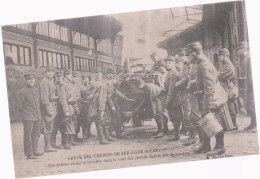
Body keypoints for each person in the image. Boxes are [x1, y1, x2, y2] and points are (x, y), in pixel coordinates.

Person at [187, 42, 233, 156]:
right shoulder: (200, 64)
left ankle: (220, 146)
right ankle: (205, 145)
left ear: (193, 53)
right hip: (208, 96)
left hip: (214, 98)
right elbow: (204, 82)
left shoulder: (205, 66)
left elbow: (210, 88)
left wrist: (207, 106)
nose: (188, 58)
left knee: (215, 122)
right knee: (205, 120)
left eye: (188, 55)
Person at [18, 73, 43, 159]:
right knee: (28, 135)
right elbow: (19, 106)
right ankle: (29, 153)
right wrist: (24, 116)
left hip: (37, 115)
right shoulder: (22, 91)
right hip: (28, 116)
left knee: (36, 134)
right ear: (25, 81)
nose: (31, 81)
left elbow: (39, 102)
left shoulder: (36, 90)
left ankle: (35, 150)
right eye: (29, 79)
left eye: (32, 79)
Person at [176, 48, 197, 145]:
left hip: (189, 91)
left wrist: (179, 83)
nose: (181, 58)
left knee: (189, 113)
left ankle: (192, 134)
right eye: (180, 56)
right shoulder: (185, 65)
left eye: (183, 55)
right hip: (184, 92)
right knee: (186, 112)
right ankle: (189, 132)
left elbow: (188, 78)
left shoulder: (191, 65)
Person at [218, 48, 239, 130]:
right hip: (226, 88)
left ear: (224, 56)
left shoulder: (229, 66)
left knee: (231, 107)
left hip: (229, 89)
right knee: (229, 106)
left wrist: (218, 75)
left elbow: (220, 76)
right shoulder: (225, 65)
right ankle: (230, 124)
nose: (219, 58)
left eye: (220, 56)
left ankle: (234, 125)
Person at [58, 69, 78, 149]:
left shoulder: (70, 84)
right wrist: (66, 110)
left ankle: (70, 141)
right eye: (70, 75)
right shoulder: (63, 85)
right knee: (67, 124)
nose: (72, 76)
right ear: (66, 75)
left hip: (72, 107)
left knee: (71, 124)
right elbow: (63, 99)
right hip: (67, 107)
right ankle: (66, 143)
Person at [165, 55, 183, 141]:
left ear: (174, 63)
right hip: (173, 98)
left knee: (176, 117)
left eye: (169, 63)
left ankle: (176, 135)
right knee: (173, 116)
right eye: (166, 63)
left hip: (174, 99)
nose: (167, 64)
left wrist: (167, 101)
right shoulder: (170, 73)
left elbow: (172, 89)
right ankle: (176, 134)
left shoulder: (173, 73)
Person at [40, 67, 57, 153]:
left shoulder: (51, 81)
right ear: (46, 72)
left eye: (52, 71)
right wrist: (48, 108)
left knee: (50, 126)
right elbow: (44, 97)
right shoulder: (44, 82)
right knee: (48, 126)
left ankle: (49, 145)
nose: (50, 73)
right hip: (47, 107)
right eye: (48, 71)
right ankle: (47, 147)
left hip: (52, 105)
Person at [242, 52, 257, 132]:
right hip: (249, 85)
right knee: (249, 105)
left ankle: (255, 124)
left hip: (251, 85)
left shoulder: (250, 59)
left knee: (251, 104)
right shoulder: (247, 59)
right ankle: (253, 122)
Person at [50, 70, 64, 149]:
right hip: (55, 108)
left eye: (60, 76)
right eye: (57, 76)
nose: (59, 78)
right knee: (54, 127)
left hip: (63, 108)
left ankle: (64, 143)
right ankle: (53, 143)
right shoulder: (53, 86)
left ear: (62, 77)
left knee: (63, 125)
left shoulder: (64, 85)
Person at [80, 75, 94, 140]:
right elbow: (84, 92)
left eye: (87, 79)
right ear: (82, 80)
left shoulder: (90, 86)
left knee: (89, 119)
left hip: (89, 104)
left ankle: (88, 133)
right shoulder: (81, 86)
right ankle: (84, 134)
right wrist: (92, 91)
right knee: (84, 120)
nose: (86, 80)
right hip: (83, 105)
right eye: (84, 79)